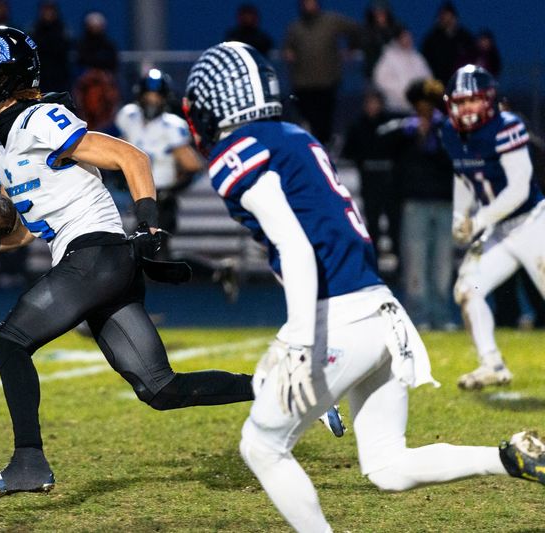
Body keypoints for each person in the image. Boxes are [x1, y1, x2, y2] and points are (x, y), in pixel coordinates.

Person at [183, 41, 545, 532]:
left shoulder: (237, 151)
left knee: (260, 445)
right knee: (387, 466)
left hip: (340, 318)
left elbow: (295, 245)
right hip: (382, 311)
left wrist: (299, 343)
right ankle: (507, 457)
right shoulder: (293, 136)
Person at [0, 26, 257, 502]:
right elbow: (29, 228)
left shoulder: (40, 119)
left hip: (96, 253)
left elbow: (131, 157)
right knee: (160, 389)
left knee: (7, 342)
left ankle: (29, 464)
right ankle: (286, 389)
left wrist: (149, 223)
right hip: (93, 263)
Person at [441, 65, 545, 389]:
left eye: (474, 100)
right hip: (499, 231)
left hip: (532, 224)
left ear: (489, 100)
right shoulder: (450, 133)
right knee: (468, 289)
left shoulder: (507, 126)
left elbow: (519, 190)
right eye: (461, 102)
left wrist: (478, 220)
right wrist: (460, 217)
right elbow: (463, 175)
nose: (468, 109)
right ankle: (492, 364)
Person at [115, 69, 239, 301]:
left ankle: (216, 272)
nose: (152, 101)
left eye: (156, 97)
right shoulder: (129, 117)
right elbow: (120, 150)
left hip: (161, 200)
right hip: (140, 195)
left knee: (143, 255)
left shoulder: (171, 126)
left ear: (164, 99)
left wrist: (169, 191)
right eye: (148, 96)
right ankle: (218, 271)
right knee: (146, 255)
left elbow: (193, 166)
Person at [378, 79, 454, 330]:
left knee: (442, 264)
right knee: (415, 263)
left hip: (444, 202)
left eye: (428, 106)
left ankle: (441, 316)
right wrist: (409, 132)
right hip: (414, 203)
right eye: (420, 106)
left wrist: (436, 137)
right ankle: (418, 316)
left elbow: (454, 161)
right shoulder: (404, 131)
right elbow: (378, 140)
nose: (424, 111)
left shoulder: (448, 131)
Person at [282, 0, 361, 145]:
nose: (309, 5)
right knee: (306, 119)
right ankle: (308, 146)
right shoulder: (295, 27)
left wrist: (351, 48)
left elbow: (354, 28)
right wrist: (288, 53)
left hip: (327, 81)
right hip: (303, 83)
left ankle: (325, 147)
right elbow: (287, 48)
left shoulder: (331, 21)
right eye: (306, 2)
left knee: (325, 121)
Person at [341, 87, 399, 276]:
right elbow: (347, 151)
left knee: (394, 222)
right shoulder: (357, 126)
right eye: (369, 102)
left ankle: (400, 264)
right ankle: (372, 265)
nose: (372, 106)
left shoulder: (391, 125)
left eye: (375, 102)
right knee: (372, 222)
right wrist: (363, 161)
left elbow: (400, 149)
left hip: (390, 181)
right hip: (369, 181)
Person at [372, 27, 432, 114]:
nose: (408, 40)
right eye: (404, 37)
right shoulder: (388, 57)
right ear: (398, 39)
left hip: (417, 108)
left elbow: (428, 78)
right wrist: (403, 92)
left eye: (409, 37)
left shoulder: (417, 57)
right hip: (396, 108)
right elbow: (380, 80)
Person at [421, 1, 475, 84]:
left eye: (450, 17)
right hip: (439, 82)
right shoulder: (431, 39)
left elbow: (473, 56)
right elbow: (426, 62)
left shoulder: (465, 37)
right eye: (444, 17)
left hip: (461, 81)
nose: (447, 20)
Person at [30, 0, 72, 93]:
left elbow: (66, 54)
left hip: (60, 78)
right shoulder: (34, 31)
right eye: (45, 10)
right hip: (40, 77)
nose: (48, 13)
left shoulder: (63, 31)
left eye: (50, 10)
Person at [360, 0, 402, 79]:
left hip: (397, 70)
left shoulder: (397, 28)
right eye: (377, 12)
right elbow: (367, 51)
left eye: (382, 12)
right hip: (374, 71)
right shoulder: (366, 31)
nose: (380, 15)